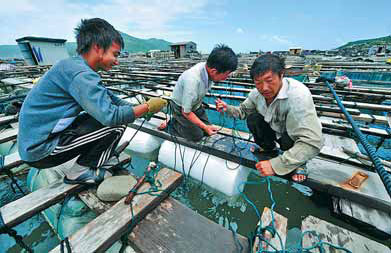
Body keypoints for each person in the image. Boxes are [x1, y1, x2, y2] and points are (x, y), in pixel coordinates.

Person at [18, 18, 167, 185]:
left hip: (36, 141)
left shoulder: (73, 66)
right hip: (40, 151)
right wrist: (147, 107)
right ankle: (79, 172)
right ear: (97, 47)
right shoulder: (81, 74)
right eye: (115, 54)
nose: (117, 61)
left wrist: (141, 109)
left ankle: (96, 160)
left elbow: (112, 99)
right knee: (116, 124)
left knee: (114, 116)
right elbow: (111, 116)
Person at [215, 54, 323, 182]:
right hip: (275, 131)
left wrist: (276, 165)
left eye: (269, 80)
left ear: (281, 75)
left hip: (291, 137)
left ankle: (299, 163)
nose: (264, 88)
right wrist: (227, 108)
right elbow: (243, 111)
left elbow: (312, 142)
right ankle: (268, 149)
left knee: (296, 139)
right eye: (258, 82)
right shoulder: (256, 94)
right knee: (253, 118)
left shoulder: (297, 96)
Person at [160, 44, 238, 142]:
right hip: (180, 108)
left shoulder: (207, 69)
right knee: (196, 136)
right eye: (226, 75)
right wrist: (204, 127)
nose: (225, 78)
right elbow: (186, 112)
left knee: (209, 129)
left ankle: (180, 122)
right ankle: (172, 124)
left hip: (196, 105)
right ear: (214, 71)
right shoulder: (192, 80)